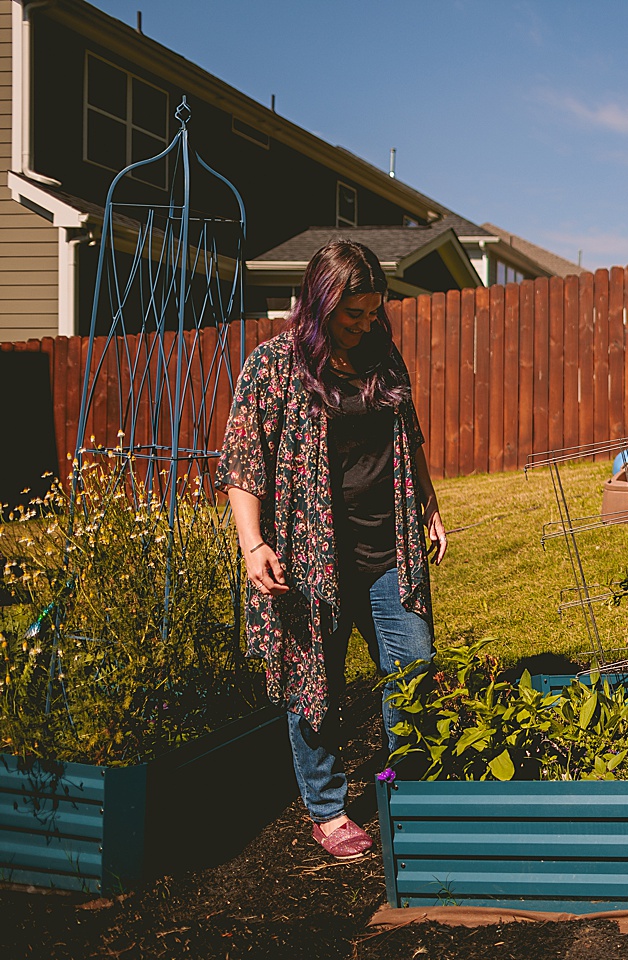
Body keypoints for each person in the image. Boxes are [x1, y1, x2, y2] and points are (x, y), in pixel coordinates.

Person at [219, 240, 447, 860]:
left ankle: (409, 791)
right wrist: (253, 543)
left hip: (385, 546)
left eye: (374, 313)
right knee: (315, 678)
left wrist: (427, 505)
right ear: (320, 305)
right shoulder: (272, 366)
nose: (367, 324)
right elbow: (244, 460)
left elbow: (410, 434)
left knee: (413, 667)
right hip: (310, 554)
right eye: (355, 314)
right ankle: (327, 808)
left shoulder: (381, 357)